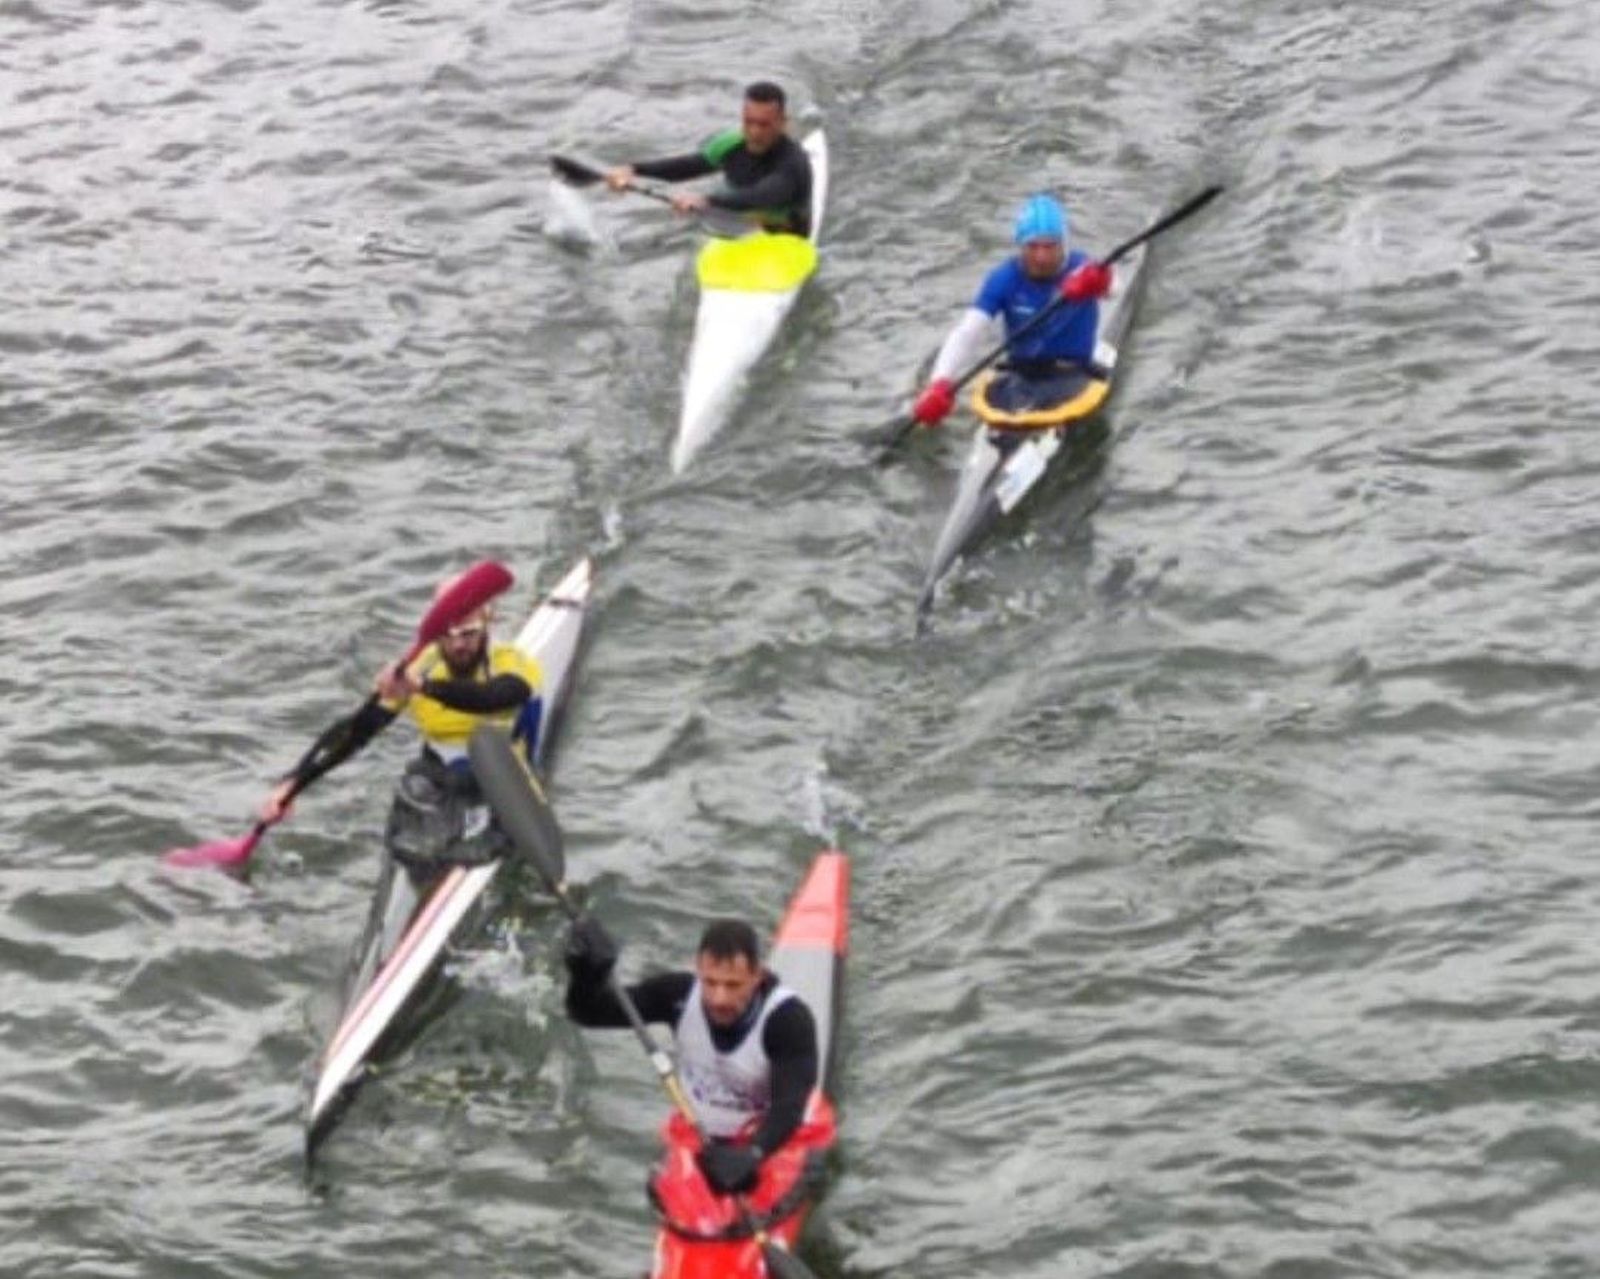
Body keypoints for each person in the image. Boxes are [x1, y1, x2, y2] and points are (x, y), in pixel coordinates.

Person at [564, 914, 820, 1198]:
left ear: (757, 976)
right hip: (700, 1136)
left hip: (771, 1138)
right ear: (698, 968)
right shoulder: (677, 995)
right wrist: (585, 976)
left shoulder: (788, 1020)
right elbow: (588, 1013)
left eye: (733, 985)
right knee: (662, 1195)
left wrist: (754, 1153)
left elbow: (789, 1107)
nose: (718, 998)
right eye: (710, 982)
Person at [258, 586, 544, 829]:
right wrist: (295, 783)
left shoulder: (509, 660)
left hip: (503, 767)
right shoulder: (421, 666)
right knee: (415, 791)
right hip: (445, 770)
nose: (458, 645)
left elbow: (494, 697)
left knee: (468, 781)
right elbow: (356, 731)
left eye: (468, 633)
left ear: (487, 623)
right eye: (449, 634)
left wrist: (423, 687)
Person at [910, 193, 1114, 427]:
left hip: (1073, 373)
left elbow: (1113, 288)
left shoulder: (1083, 268)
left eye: (1050, 246)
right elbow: (968, 333)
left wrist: (1102, 282)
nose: (1042, 256)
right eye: (1033, 246)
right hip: (1022, 377)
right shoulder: (1003, 279)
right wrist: (939, 383)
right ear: (1020, 244)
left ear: (1063, 243)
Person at [605, 81, 814, 236]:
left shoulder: (793, 162)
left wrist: (706, 200)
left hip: (785, 237)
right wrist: (634, 170)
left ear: (783, 123)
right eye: (748, 122)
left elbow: (762, 195)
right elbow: (690, 166)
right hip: (735, 225)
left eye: (764, 124)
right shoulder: (731, 143)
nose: (754, 132)